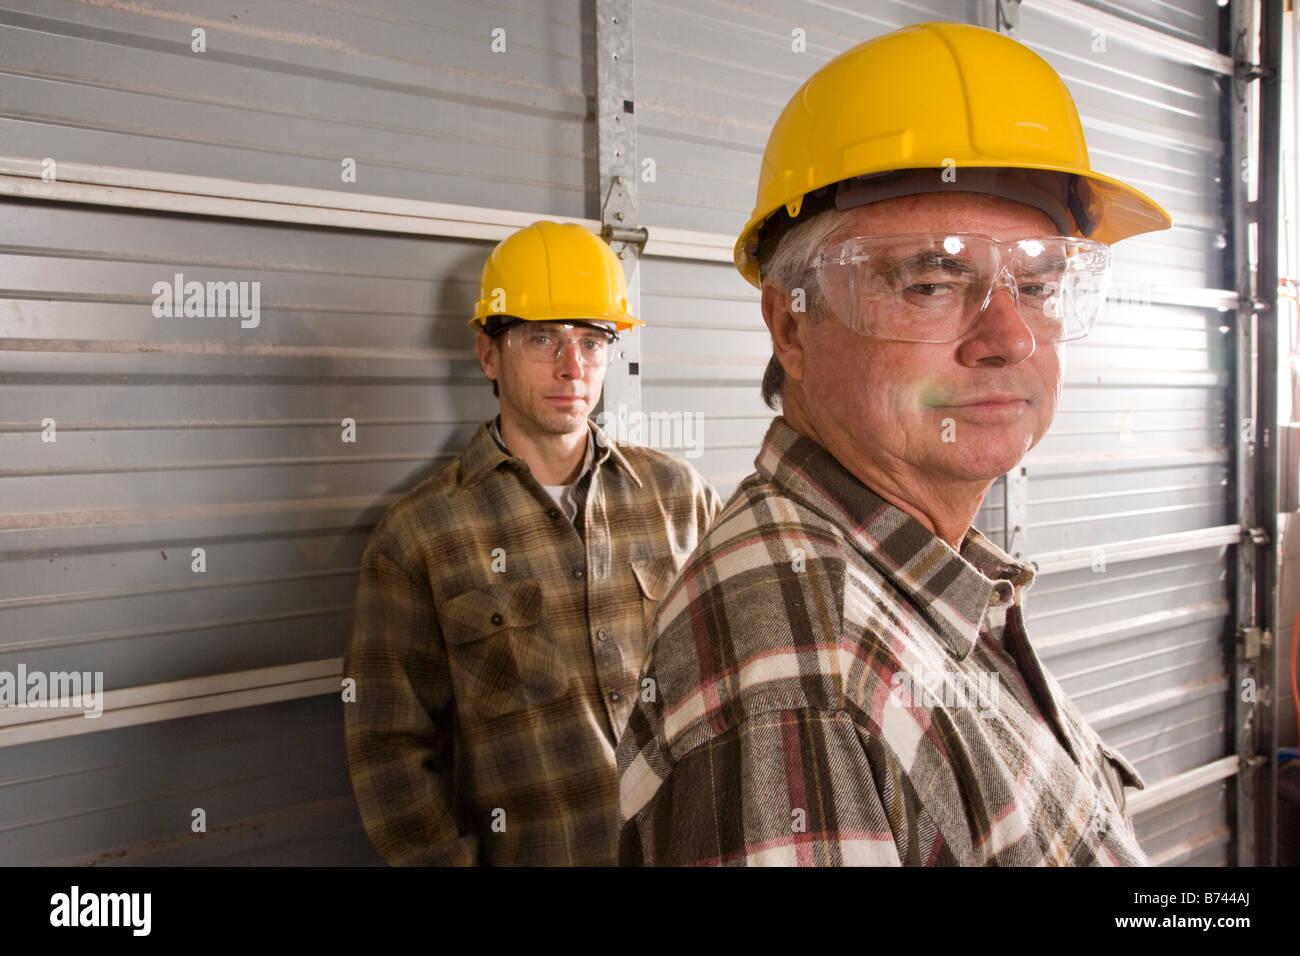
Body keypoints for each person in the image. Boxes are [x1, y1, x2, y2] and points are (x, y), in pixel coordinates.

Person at [616, 21, 1168, 866]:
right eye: (931, 281)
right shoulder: (799, 671)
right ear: (790, 326)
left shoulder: (925, 573)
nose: (1009, 337)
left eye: (1038, 283)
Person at [346, 220, 722, 865]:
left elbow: (740, 676)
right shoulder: (420, 536)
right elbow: (388, 746)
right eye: (541, 338)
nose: (571, 367)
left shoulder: (680, 497)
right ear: (489, 354)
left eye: (591, 339)